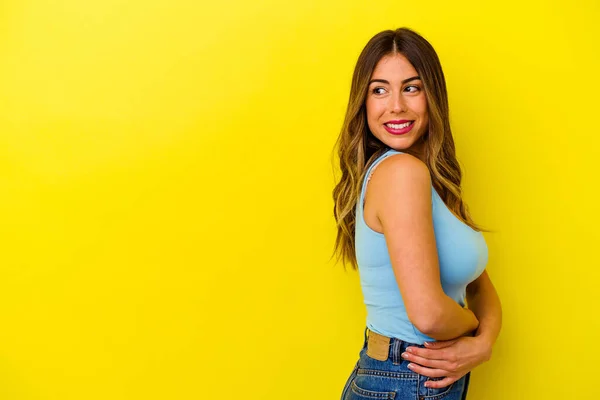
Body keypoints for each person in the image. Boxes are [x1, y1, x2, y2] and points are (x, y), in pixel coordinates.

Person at [332, 27, 502, 400]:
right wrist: (475, 331)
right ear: (363, 102)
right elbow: (429, 315)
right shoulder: (401, 174)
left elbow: (478, 284)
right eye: (379, 90)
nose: (396, 105)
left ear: (431, 96)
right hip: (404, 380)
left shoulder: (433, 180)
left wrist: (482, 342)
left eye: (411, 87)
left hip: (404, 379)